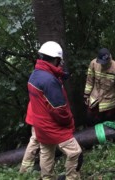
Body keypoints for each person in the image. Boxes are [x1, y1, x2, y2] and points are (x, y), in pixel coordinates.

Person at [28, 41, 82, 179]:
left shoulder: (35, 74)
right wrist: (69, 122)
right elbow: (60, 110)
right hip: (52, 126)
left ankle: (47, 178)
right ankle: (72, 177)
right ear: (56, 59)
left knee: (46, 152)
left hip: (40, 124)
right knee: (75, 152)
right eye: (60, 61)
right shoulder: (49, 81)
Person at [84, 48, 115, 126]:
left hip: (109, 102)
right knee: (90, 120)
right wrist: (86, 95)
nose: (103, 64)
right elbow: (89, 81)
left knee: (107, 125)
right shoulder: (93, 64)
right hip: (94, 99)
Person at [19, 102, 39, 173]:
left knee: (36, 141)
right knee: (35, 140)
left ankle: (25, 170)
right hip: (39, 114)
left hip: (37, 112)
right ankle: (25, 170)